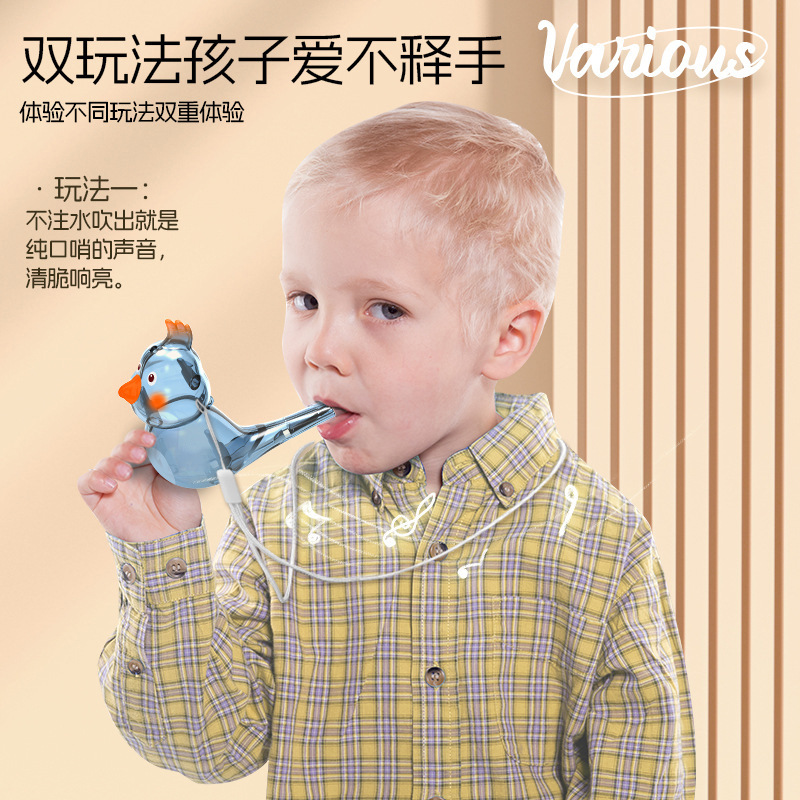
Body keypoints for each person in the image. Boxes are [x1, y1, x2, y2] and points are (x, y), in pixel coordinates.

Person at [79, 102, 695, 799]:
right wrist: (162, 555)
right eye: (304, 300)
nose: (320, 350)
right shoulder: (278, 522)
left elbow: (647, 774)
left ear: (506, 337)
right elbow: (210, 747)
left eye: (385, 309)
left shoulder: (600, 542)